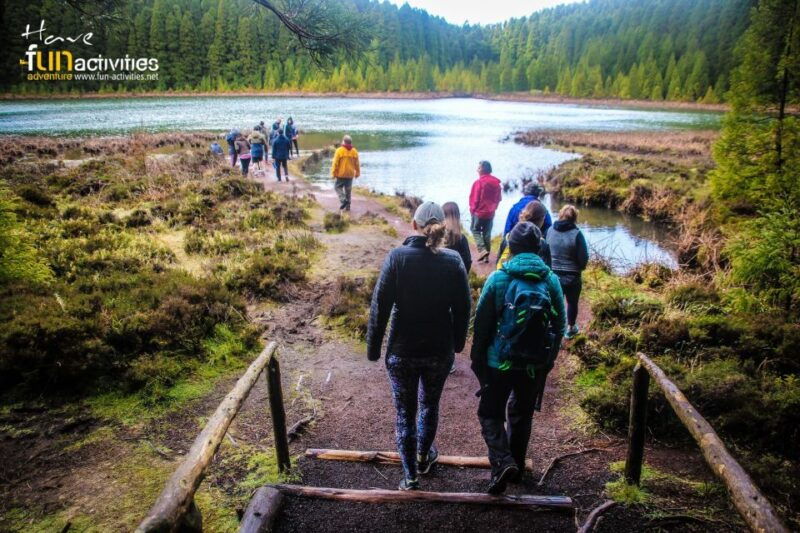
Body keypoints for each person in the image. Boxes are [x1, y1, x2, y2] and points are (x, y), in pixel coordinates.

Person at [367, 202, 471, 491]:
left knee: (404, 412)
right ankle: (424, 456)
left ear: (414, 225)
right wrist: (458, 344)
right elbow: (464, 308)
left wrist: (374, 349)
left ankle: (410, 476)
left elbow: (380, 307)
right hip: (439, 351)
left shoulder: (397, 257)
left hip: (401, 351)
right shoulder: (453, 261)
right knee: (429, 405)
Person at [471, 222, 566, 494]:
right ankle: (516, 469)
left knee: (489, 412)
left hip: (497, 361)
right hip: (534, 364)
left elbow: (482, 325)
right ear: (539, 247)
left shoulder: (499, 278)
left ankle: (502, 462)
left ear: (510, 247)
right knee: (522, 414)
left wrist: (478, 361)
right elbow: (559, 327)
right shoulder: (551, 281)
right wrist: (548, 361)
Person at [547, 205, 589, 339]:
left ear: (560, 215)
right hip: (572, 276)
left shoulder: (549, 231)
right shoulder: (577, 234)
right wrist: (581, 267)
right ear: (574, 218)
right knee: (572, 302)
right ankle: (570, 328)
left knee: (553, 302)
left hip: (553, 274)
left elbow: (545, 250)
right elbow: (583, 257)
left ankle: (552, 328)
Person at [496, 200, 551, 270]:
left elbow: (498, 262)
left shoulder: (508, 237)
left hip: (509, 275)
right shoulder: (542, 244)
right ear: (541, 219)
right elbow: (548, 269)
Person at [469, 161, 502, 263]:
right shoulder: (496, 183)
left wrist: (472, 209)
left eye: (478, 168)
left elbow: (475, 199)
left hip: (479, 212)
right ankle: (486, 257)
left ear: (483, 170)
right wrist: (494, 208)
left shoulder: (478, 182)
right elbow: (498, 198)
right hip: (490, 212)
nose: (477, 170)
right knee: (487, 234)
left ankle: (482, 250)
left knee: (475, 230)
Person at [330, 135, 360, 212]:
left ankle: (344, 200)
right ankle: (348, 207)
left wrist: (333, 173)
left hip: (341, 174)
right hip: (350, 174)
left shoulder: (339, 150)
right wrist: (357, 173)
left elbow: (335, 163)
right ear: (350, 142)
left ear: (344, 141)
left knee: (337, 187)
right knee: (348, 191)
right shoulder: (354, 151)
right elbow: (357, 164)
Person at [442, 202, 471, 274]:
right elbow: (467, 263)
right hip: (455, 279)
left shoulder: (436, 235)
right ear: (457, 217)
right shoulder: (461, 239)